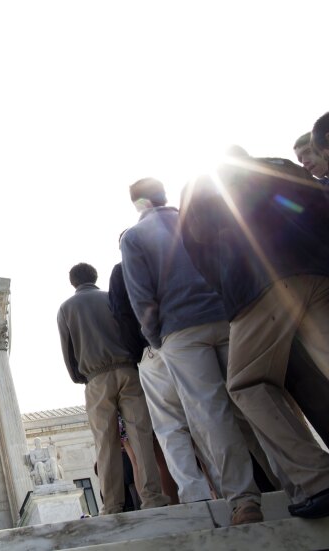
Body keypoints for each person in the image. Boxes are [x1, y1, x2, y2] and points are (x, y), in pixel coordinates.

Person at [181, 151, 329, 519]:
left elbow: (198, 239)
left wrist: (228, 291)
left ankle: (318, 478)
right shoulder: (283, 167)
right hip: (318, 273)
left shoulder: (200, 185)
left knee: (247, 383)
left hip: (260, 286)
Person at [122, 177, 270, 525]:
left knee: (210, 414)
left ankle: (245, 501)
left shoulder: (134, 237)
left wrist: (157, 339)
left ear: (138, 204)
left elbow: (141, 298)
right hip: (229, 318)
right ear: (164, 195)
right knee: (258, 402)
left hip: (180, 332)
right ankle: (295, 482)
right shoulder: (198, 220)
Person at [56, 263, 169, 515]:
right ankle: (153, 496)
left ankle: (113, 504)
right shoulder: (110, 297)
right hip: (129, 369)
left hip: (96, 377)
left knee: (105, 442)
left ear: (73, 282)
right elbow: (130, 327)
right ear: (95, 277)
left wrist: (80, 377)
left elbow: (68, 350)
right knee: (141, 436)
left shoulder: (66, 308)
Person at [108, 258, 209, 504]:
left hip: (151, 352)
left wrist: (139, 352)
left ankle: (192, 496)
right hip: (186, 342)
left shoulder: (122, 272)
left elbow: (122, 315)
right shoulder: (169, 261)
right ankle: (224, 489)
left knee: (168, 431)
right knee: (204, 416)